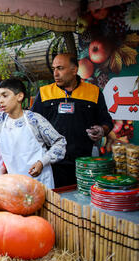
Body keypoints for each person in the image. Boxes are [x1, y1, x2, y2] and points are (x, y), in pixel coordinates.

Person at [31, 53, 113, 188]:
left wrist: (101, 130)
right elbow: (32, 125)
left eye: (60, 68)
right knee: (56, 202)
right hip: (52, 163)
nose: (55, 74)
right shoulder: (45, 92)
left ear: (74, 70)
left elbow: (106, 121)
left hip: (83, 162)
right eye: (54, 69)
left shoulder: (93, 92)